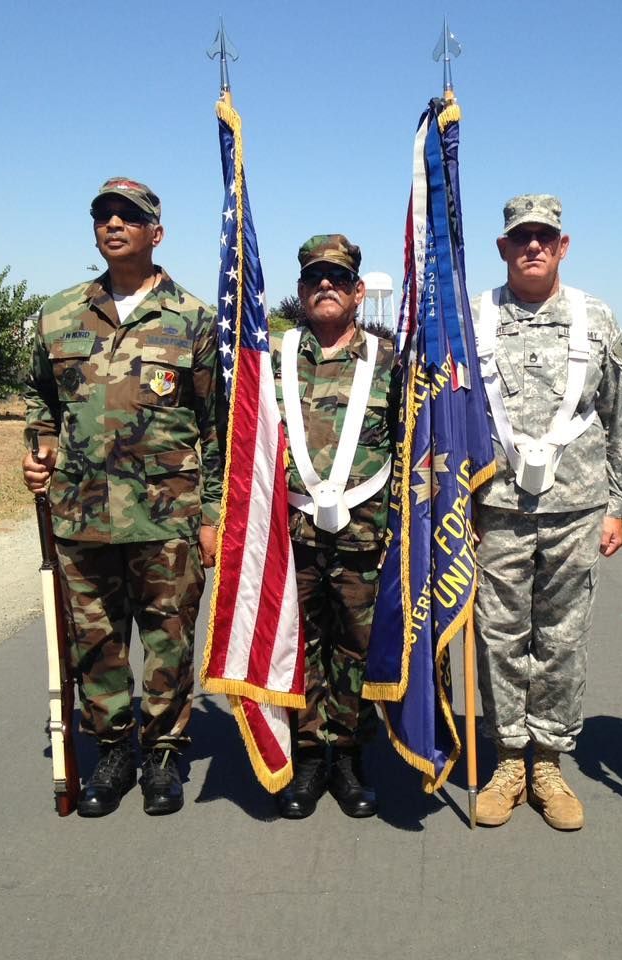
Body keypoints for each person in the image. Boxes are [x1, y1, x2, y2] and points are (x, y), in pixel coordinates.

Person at [22, 177, 222, 817]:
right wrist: (38, 450)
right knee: (96, 640)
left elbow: (216, 426)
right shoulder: (57, 314)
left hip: (167, 516)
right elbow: (40, 402)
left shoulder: (192, 318)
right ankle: (112, 747)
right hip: (80, 513)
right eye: (104, 216)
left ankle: (164, 750)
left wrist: (212, 515)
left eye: (129, 217)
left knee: (167, 635)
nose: (114, 225)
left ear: (155, 233)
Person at [471, 195, 622, 829]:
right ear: (503, 248)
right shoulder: (476, 317)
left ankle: (549, 760)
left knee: (562, 637)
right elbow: (450, 411)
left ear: (563, 246)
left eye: (545, 236)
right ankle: (509, 758)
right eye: (522, 238)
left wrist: (619, 505)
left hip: (576, 508)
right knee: (500, 634)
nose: (533, 247)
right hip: (496, 507)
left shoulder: (596, 319)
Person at [271, 234, 398, 819]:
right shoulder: (275, 357)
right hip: (290, 534)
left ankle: (346, 753)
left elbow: (415, 447)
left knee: (354, 645)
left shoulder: (391, 360)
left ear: (356, 292)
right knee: (300, 644)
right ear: (300, 291)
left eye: (338, 278)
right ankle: (308, 754)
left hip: (363, 534)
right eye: (314, 277)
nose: (326, 285)